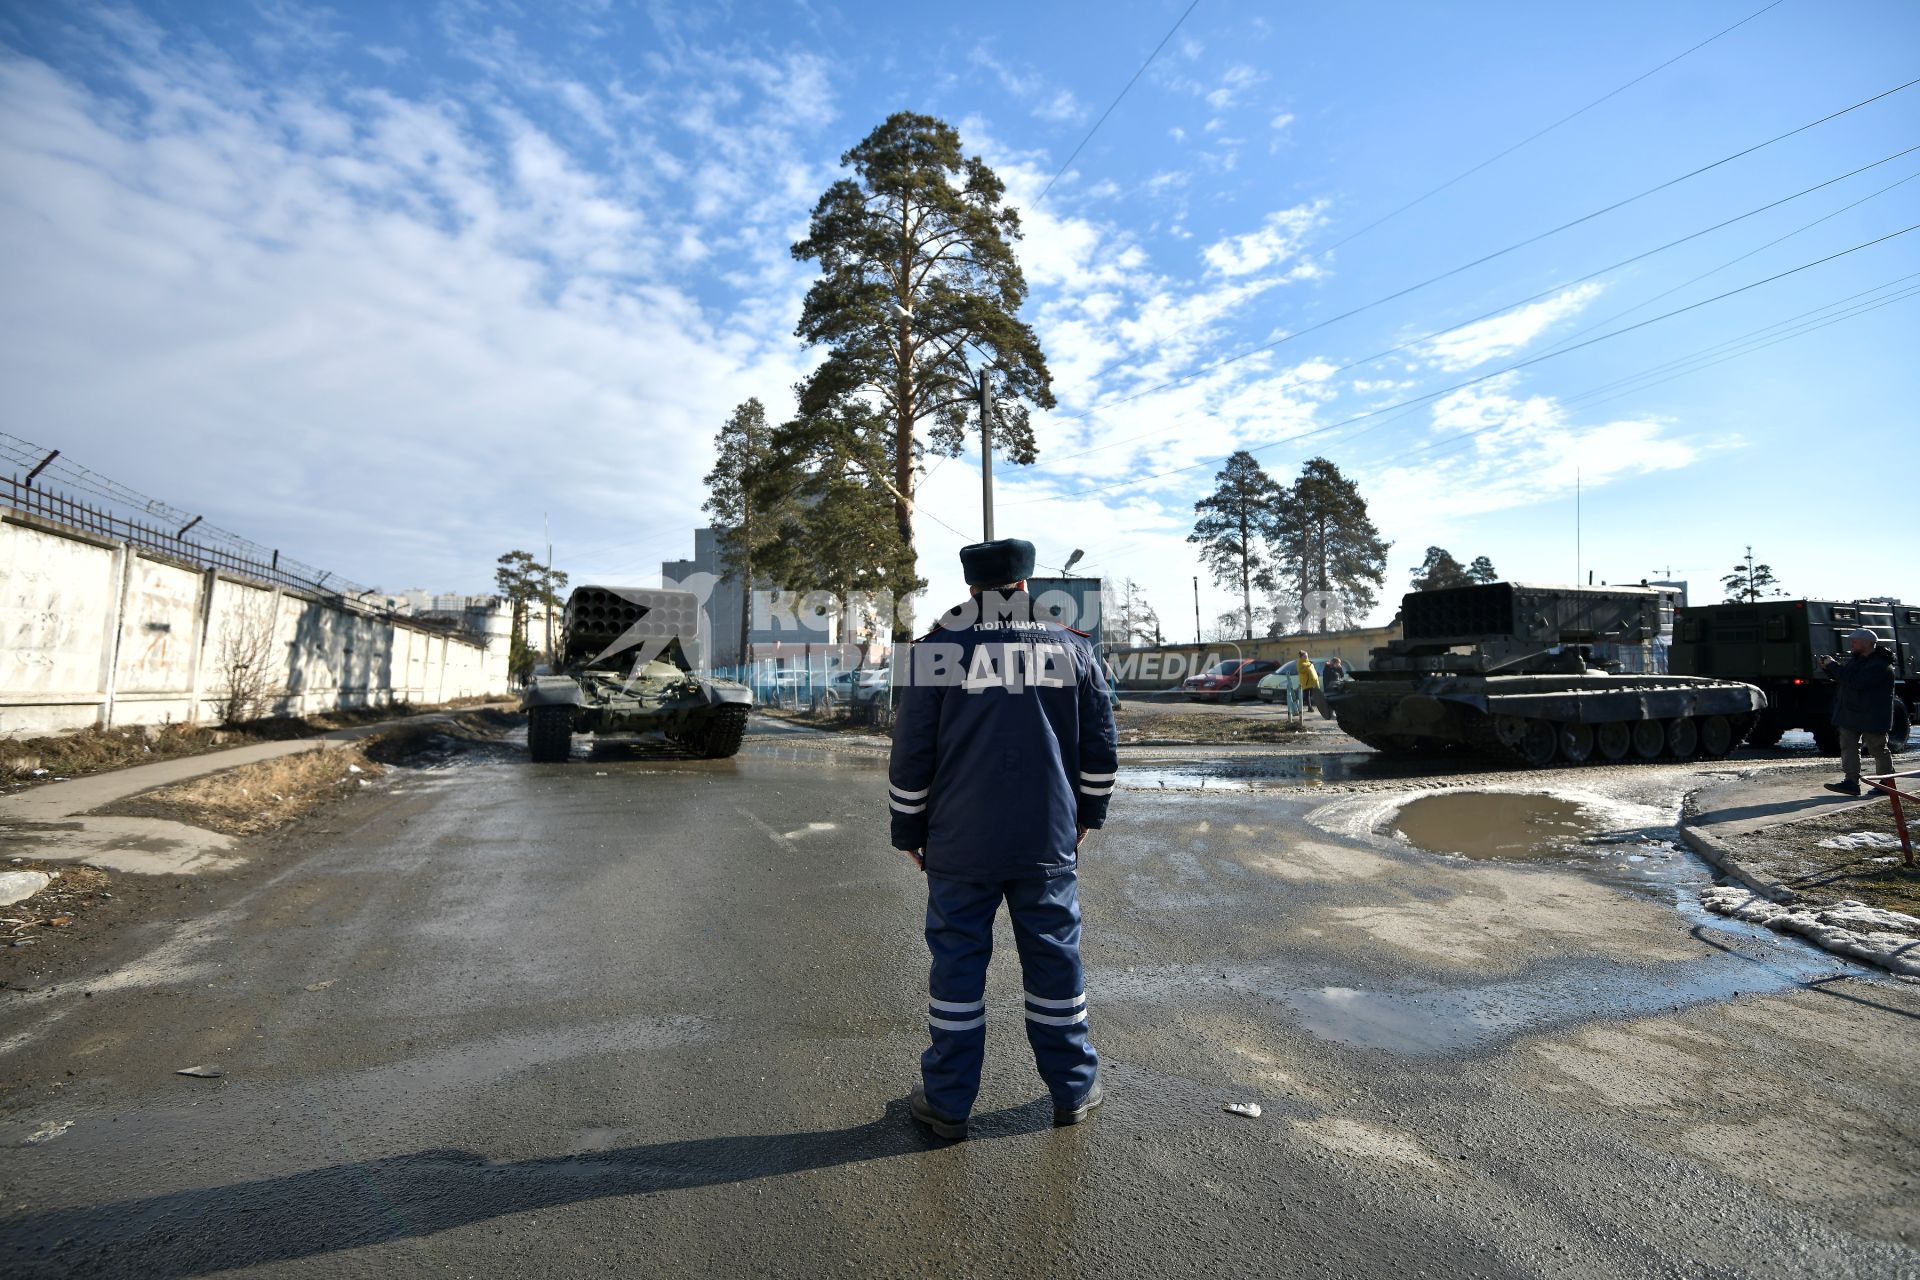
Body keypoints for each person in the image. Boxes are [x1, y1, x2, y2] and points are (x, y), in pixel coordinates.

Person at [887, 538, 1119, 1141]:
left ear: (970, 589)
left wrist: (908, 828)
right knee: (1054, 960)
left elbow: (911, 754)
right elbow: (1100, 747)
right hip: (1046, 839)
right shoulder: (1073, 649)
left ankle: (947, 1104)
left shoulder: (934, 651)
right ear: (1025, 585)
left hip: (959, 844)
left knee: (958, 969)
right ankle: (1072, 1090)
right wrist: (1088, 814)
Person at [1821, 627, 1895, 797]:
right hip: (1851, 713)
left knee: (1877, 749)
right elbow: (1845, 677)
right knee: (1848, 747)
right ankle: (1851, 782)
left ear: (1867, 643)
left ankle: (1886, 782)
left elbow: (1856, 682)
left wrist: (1833, 665)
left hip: (1873, 715)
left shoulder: (1880, 665)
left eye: (1855, 641)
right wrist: (1829, 668)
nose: (1851, 644)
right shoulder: (1856, 660)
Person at [1297, 649, 1330, 719]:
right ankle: (1309, 707)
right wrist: (1308, 665)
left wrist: (1316, 674)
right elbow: (1301, 670)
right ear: (1301, 657)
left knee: (1314, 694)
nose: (1306, 657)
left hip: (1313, 681)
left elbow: (1312, 671)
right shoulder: (1301, 663)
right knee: (1307, 695)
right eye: (1304, 656)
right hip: (1306, 682)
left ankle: (1317, 706)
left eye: (1307, 656)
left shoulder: (1309, 663)